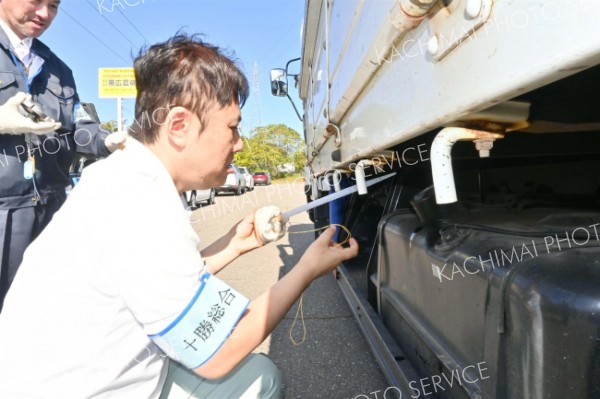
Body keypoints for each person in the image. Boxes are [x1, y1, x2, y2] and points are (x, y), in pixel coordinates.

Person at [0, 34, 358, 398]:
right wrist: (306, 269)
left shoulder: (122, 177)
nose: (240, 144)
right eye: (233, 128)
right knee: (256, 379)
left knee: (251, 372)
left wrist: (234, 246)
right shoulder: (142, 206)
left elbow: (160, 283)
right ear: (179, 126)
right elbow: (218, 354)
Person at [0, 0, 125, 310]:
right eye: (36, 2)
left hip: (51, 210)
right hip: (3, 209)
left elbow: (80, 126)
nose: (44, 14)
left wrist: (109, 141)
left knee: (47, 310)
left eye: (53, 6)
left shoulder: (57, 68)